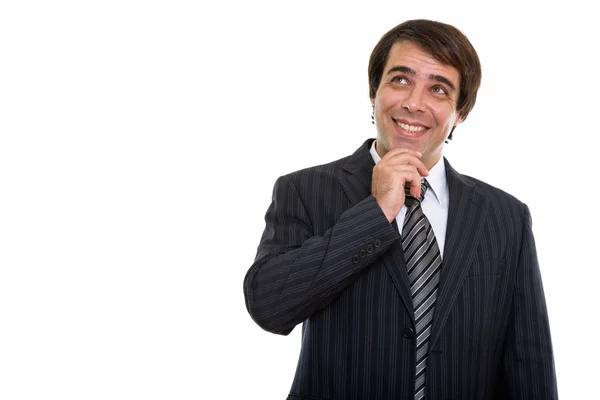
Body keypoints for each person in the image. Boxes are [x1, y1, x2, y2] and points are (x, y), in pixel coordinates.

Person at [243, 19, 557, 400]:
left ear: (460, 113)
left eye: (438, 89)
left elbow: (529, 360)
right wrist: (376, 212)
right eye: (401, 80)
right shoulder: (304, 190)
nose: (414, 103)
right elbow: (270, 308)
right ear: (374, 91)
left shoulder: (505, 216)